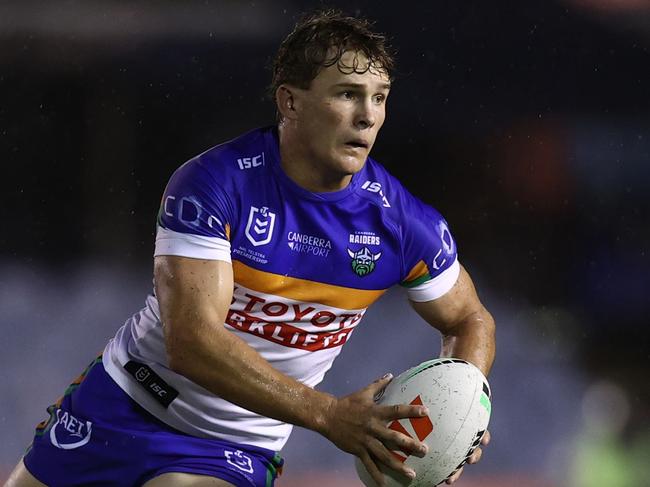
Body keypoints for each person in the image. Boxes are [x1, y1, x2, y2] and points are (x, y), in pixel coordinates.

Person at [5, 10, 495, 487]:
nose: (368, 116)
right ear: (290, 102)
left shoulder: (404, 224)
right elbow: (192, 342)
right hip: (120, 401)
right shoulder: (214, 183)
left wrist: (461, 410)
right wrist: (327, 413)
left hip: (232, 446)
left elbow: (469, 319)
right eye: (348, 95)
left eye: (380, 98)